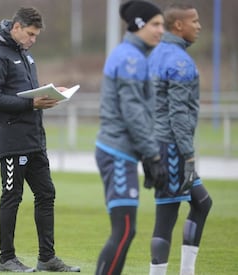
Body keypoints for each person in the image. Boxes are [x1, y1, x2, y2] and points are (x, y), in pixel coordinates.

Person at [0, 7, 80, 273]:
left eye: (36, 35)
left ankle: (47, 258)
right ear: (16, 28)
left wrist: (51, 94)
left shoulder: (26, 56)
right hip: (12, 141)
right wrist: (32, 103)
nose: (33, 39)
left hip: (34, 138)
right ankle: (6, 259)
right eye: (30, 34)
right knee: (12, 196)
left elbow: (26, 95)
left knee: (47, 193)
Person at [94, 1, 168, 274]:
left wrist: (147, 155)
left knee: (126, 230)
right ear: (138, 25)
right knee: (124, 230)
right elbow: (133, 112)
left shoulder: (134, 55)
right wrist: (152, 154)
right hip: (117, 152)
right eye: (156, 24)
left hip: (122, 152)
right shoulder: (130, 58)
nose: (162, 30)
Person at [147, 3, 213, 275]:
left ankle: (187, 271)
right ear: (178, 26)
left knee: (202, 203)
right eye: (194, 21)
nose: (199, 26)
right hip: (172, 147)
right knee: (166, 216)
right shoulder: (180, 61)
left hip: (156, 144)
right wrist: (188, 156)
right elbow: (178, 115)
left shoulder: (155, 53)